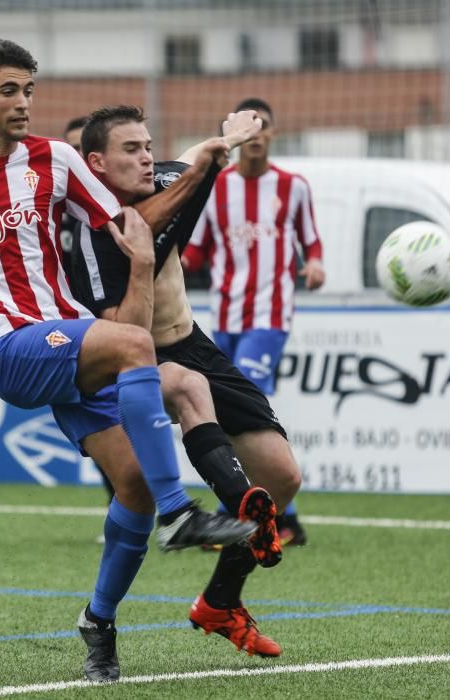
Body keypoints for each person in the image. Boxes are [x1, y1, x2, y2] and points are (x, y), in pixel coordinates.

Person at [0, 38, 255, 683]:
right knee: (134, 345)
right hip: (4, 346)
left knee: (132, 488)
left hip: (65, 339)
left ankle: (99, 621)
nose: (24, 102)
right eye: (10, 90)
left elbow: (128, 218)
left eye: (30, 89)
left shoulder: (55, 160)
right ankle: (181, 514)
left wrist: (194, 171)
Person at [70, 104, 303, 659]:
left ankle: (220, 601)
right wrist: (211, 156)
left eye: (148, 144)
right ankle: (100, 619)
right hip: (125, 359)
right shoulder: (87, 237)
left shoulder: (169, 179)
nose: (148, 156)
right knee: (138, 489)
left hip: (190, 341)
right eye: (133, 149)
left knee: (283, 475)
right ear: (95, 164)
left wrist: (224, 140)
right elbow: (124, 332)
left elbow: (192, 163)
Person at [182, 97, 326, 547]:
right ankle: (287, 517)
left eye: (264, 127)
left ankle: (233, 514)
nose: (258, 136)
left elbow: (312, 242)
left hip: (269, 317)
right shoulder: (217, 188)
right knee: (228, 414)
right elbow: (196, 253)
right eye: (251, 128)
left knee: (241, 408)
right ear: (240, 136)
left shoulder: (293, 186)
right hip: (222, 317)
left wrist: (316, 267)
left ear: (272, 134)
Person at [63, 115, 116, 510]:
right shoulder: (45, 205)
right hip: (65, 327)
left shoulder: (105, 213)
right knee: (99, 416)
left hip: (105, 319)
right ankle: (122, 500)